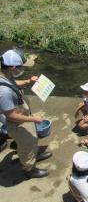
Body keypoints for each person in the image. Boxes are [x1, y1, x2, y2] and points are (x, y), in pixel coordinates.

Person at [0, 49, 52, 178]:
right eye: (21, 67)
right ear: (13, 68)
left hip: (23, 117)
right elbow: (10, 115)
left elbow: (13, 83)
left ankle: (35, 154)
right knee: (26, 146)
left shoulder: (5, 75)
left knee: (32, 138)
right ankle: (30, 170)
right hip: (17, 124)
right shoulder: (3, 92)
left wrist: (28, 81)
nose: (23, 69)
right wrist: (34, 119)